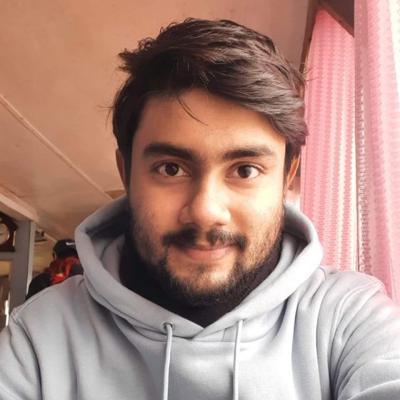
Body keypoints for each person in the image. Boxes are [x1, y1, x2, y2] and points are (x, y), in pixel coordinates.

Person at [1, 18, 400, 400]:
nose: (206, 211)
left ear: (287, 177)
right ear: (126, 172)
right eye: (171, 168)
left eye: (245, 170)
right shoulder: (37, 337)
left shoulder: (348, 317)